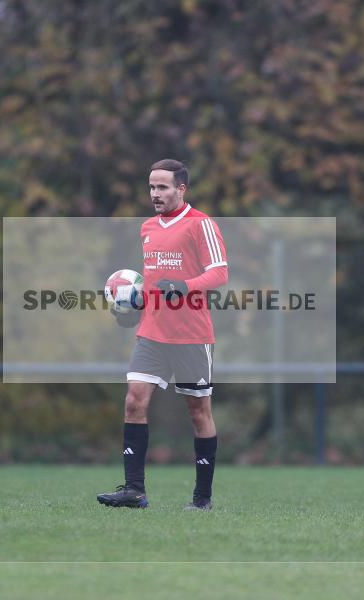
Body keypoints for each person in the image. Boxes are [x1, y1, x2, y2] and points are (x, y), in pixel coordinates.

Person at [97, 159, 228, 511]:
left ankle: (202, 500)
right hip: (152, 332)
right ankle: (134, 491)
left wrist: (184, 286)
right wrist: (134, 307)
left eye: (163, 187)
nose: (155, 194)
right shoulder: (147, 228)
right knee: (133, 401)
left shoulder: (201, 226)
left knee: (198, 412)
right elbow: (153, 281)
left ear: (181, 188)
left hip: (191, 336)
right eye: (152, 187)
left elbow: (219, 273)